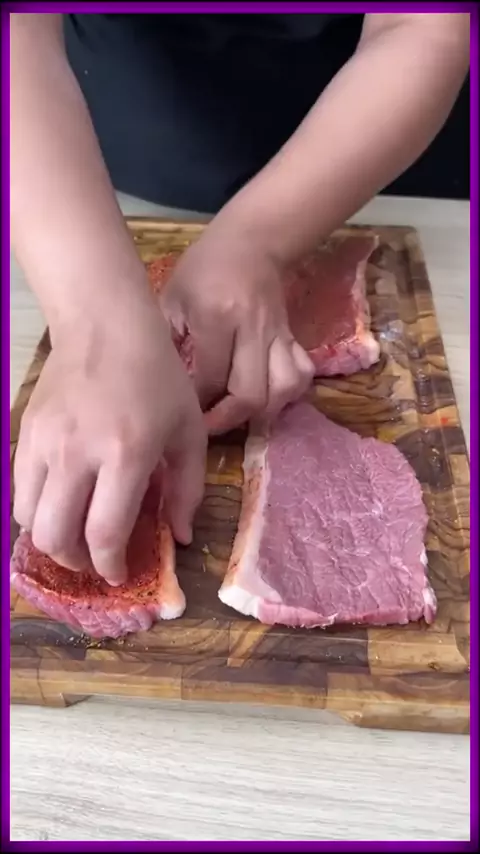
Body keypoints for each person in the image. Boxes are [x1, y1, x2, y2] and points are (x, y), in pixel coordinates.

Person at [10, 12, 470, 586]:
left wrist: (257, 242)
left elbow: (420, 26)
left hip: (376, 150)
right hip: (89, 160)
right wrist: (97, 324)